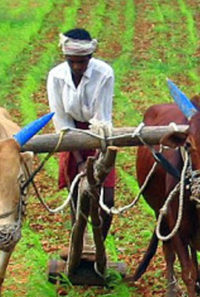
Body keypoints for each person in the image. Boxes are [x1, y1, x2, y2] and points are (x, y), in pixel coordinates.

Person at [47, 28, 115, 240]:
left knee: (107, 199)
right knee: (77, 195)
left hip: (99, 135)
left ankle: (99, 245)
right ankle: (78, 241)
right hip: (71, 137)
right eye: (72, 61)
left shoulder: (104, 73)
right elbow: (61, 120)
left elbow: (101, 118)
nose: (77, 66)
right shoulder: (56, 76)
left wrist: (98, 161)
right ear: (66, 58)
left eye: (82, 62)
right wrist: (78, 161)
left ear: (90, 57)